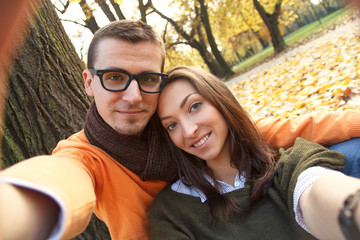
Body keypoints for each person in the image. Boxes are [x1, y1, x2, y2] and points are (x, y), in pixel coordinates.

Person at [1, 20, 360, 240]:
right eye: (114, 78)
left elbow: (286, 130)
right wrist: (17, 208)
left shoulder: (184, 129)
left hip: (259, 203)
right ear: (89, 83)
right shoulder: (84, 156)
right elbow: (60, 183)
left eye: (147, 79)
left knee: (345, 152)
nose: (133, 96)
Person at [149, 66, 360, 240]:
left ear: (221, 101)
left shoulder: (288, 165)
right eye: (172, 125)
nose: (189, 131)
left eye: (195, 106)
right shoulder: (171, 212)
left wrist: (352, 209)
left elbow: (317, 193)